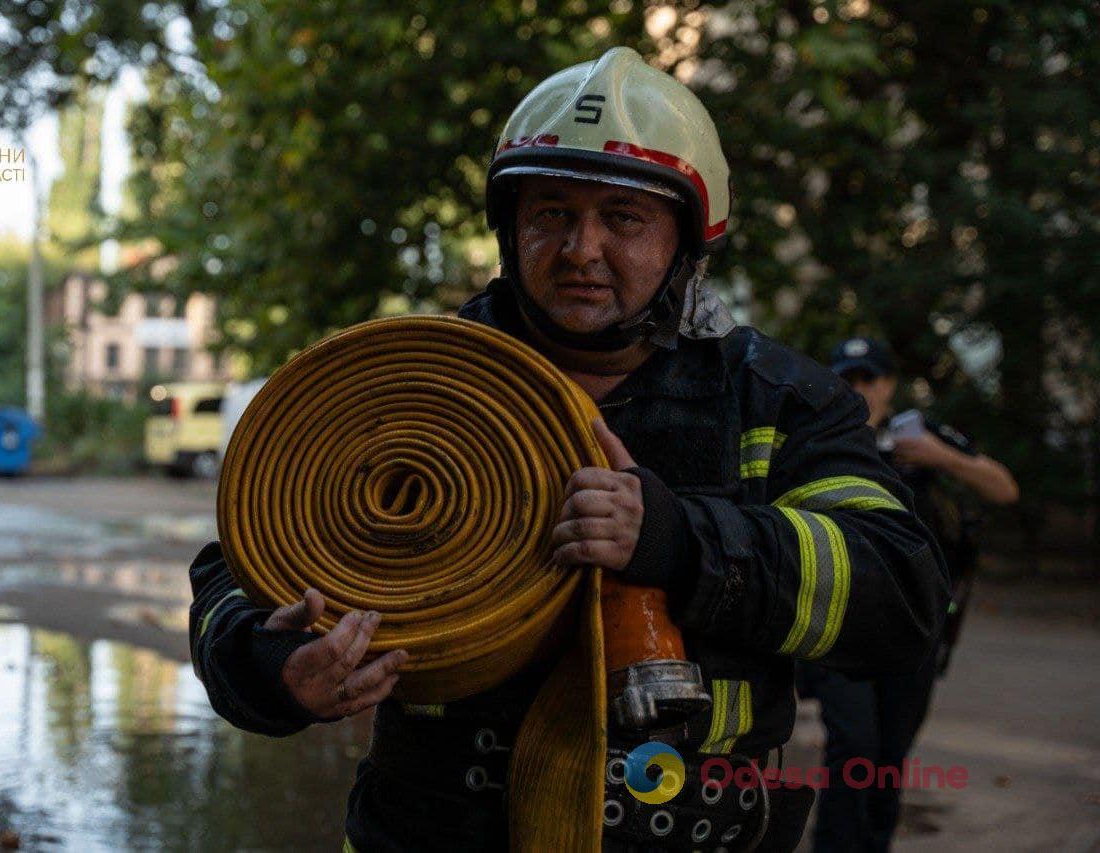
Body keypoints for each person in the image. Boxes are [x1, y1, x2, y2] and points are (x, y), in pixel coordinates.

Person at [188, 48, 949, 852]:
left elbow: (902, 592)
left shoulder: (775, 399)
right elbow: (239, 568)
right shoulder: (411, 379)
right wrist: (273, 666)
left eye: (623, 218)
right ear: (512, 229)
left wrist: (678, 539)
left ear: (686, 242)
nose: (582, 248)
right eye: (551, 212)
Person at [799, 336, 1019, 853]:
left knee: (890, 752)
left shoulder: (919, 436)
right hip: (838, 623)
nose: (859, 389)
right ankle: (835, 844)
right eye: (847, 378)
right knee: (855, 744)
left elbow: (1004, 489)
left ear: (890, 384)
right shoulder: (821, 436)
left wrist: (940, 456)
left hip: (914, 625)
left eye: (868, 378)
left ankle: (871, 843)